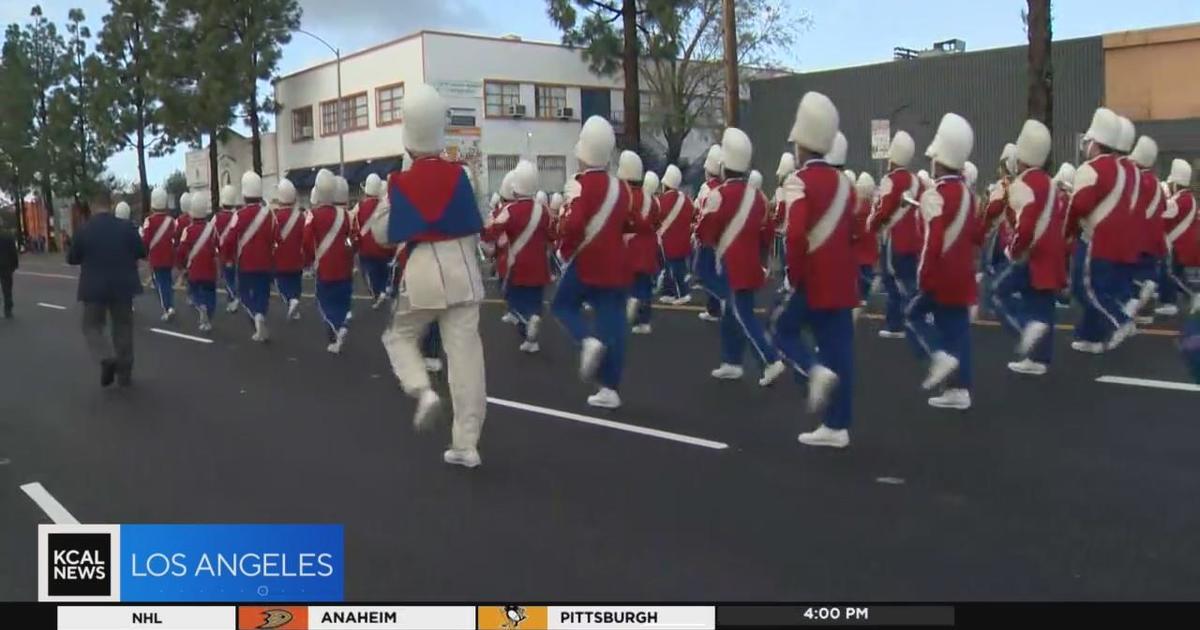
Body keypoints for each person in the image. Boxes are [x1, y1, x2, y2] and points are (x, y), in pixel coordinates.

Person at [375, 83, 487, 468]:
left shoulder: (399, 184)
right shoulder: (462, 176)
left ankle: (421, 389)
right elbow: (477, 222)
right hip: (465, 274)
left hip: (423, 275)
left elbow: (380, 232)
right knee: (467, 362)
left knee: (400, 335)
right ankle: (467, 444)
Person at [769, 91, 856, 447]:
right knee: (840, 351)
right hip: (842, 281)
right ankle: (837, 426)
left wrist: (793, 274)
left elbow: (795, 234)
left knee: (780, 328)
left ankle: (811, 369)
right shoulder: (845, 186)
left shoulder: (798, 181)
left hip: (812, 279)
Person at [552, 116, 638, 409]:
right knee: (612, 321)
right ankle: (610, 388)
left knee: (562, 306)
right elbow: (630, 223)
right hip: (617, 264)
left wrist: (563, 236)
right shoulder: (622, 188)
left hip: (587, 260)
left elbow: (572, 225)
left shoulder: (579, 185)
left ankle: (585, 339)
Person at [696, 127, 787, 386]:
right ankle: (731, 361)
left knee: (742, 316)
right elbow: (766, 232)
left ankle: (770, 360)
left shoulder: (718, 196)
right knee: (730, 314)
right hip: (751, 264)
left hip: (730, 265)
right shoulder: (758, 197)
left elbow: (704, 232)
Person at [904, 113, 978, 410]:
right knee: (957, 329)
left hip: (941, 275)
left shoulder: (936, 195)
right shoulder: (968, 194)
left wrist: (924, 276)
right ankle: (960, 390)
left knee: (912, 316)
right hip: (964, 274)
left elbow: (932, 243)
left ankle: (936, 355)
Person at [989, 120, 1065, 376]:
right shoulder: (1050, 183)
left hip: (1032, 255)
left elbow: (1025, 226)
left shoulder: (1023, 184)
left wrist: (1012, 250)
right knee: (1042, 307)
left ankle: (1024, 331)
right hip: (1053, 255)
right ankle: (1040, 359)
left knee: (997, 291)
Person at [1066, 108, 1137, 353]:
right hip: (1118, 241)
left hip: (1094, 239)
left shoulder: (1090, 169)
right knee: (1098, 288)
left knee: (1084, 288)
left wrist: (1067, 231)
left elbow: (1080, 206)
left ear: (1095, 143)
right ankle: (1091, 337)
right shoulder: (1124, 170)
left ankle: (1120, 321)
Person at [67, 203, 146, 387]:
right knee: (123, 328)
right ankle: (124, 374)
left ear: (93, 209)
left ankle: (106, 357)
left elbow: (72, 258)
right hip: (123, 285)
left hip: (94, 287)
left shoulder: (84, 230)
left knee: (91, 326)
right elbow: (141, 251)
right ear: (109, 207)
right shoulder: (127, 227)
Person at [483, 159, 552, 353]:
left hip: (518, 265)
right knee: (535, 301)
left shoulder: (510, 210)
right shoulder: (543, 211)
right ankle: (533, 337)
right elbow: (553, 234)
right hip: (540, 265)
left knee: (515, 302)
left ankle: (526, 323)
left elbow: (490, 232)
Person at [867, 131, 920, 338]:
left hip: (894, 239)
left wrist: (872, 225)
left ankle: (896, 322)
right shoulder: (917, 181)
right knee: (908, 280)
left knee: (893, 281)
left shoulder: (890, 180)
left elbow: (883, 209)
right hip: (913, 239)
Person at [303, 170, 354, 354]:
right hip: (345, 267)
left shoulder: (312, 215)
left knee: (324, 302)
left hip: (325, 268)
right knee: (342, 300)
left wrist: (308, 261)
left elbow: (307, 241)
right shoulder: (345, 215)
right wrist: (346, 251)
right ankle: (343, 323)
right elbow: (351, 239)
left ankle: (335, 331)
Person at [221, 172, 275, 342]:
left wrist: (228, 258)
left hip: (245, 264)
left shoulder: (239, 215)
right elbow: (277, 238)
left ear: (244, 194)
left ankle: (255, 315)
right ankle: (260, 314)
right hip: (266, 263)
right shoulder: (270, 214)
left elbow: (229, 240)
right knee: (263, 294)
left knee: (244, 295)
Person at [620, 152, 660, 334]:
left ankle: (631, 304)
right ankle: (645, 322)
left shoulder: (624, 197)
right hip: (649, 245)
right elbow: (657, 222)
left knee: (628, 283)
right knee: (645, 285)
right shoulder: (652, 199)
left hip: (630, 245)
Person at [1129, 135, 1165, 321]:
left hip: (1139, 237)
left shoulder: (1137, 181)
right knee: (1147, 275)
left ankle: (1132, 315)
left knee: (1134, 279)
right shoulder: (1157, 183)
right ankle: (1146, 313)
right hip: (1155, 237)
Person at [1160, 159, 1198, 316]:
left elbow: (1162, 217)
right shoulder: (1190, 198)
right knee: (1176, 274)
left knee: (1170, 273)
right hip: (1186, 244)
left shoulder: (1180, 200)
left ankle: (1191, 296)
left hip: (1181, 245)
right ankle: (1171, 301)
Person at [177, 191, 218, 332]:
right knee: (211, 294)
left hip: (194, 270)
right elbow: (217, 246)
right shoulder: (212, 229)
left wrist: (181, 267)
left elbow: (181, 251)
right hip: (210, 270)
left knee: (195, 293)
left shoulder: (188, 230)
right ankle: (208, 315)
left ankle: (201, 307)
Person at [355, 173, 396, 310]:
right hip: (386, 248)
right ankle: (386, 288)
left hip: (367, 249)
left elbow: (355, 227)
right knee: (384, 271)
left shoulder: (360, 207)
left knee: (370, 274)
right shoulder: (386, 205)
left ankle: (378, 293)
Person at [656, 164, 695, 305]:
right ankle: (669, 292)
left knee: (673, 270)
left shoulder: (661, 201)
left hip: (669, 243)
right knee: (675, 269)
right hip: (683, 243)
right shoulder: (686, 199)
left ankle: (682, 293)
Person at [695, 145, 724, 322]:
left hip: (707, 239)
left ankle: (719, 303)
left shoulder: (706, 188)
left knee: (705, 274)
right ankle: (714, 309)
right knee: (716, 273)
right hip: (721, 240)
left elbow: (699, 210)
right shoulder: (723, 187)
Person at [141, 187, 177, 322]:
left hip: (156, 258)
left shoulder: (149, 221)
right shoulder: (171, 221)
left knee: (160, 285)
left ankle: (167, 308)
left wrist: (143, 254)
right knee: (167, 282)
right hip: (169, 256)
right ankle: (171, 304)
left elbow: (145, 240)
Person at [272, 178, 304, 321]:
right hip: (298, 257)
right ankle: (295, 306)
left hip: (281, 259)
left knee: (283, 285)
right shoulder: (301, 216)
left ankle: (291, 301)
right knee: (296, 283)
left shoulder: (276, 218)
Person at [852, 172, 878, 304]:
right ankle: (865, 293)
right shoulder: (872, 206)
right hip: (869, 242)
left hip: (859, 243)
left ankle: (861, 295)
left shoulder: (857, 207)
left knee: (860, 271)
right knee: (867, 268)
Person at [214, 185, 241, 313]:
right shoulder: (238, 216)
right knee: (234, 277)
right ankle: (231, 301)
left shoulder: (216, 218)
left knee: (227, 278)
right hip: (237, 252)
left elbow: (212, 235)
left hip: (224, 253)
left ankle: (234, 298)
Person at [0, 224, 17, 319]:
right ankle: (8, 309)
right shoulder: (8, 235)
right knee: (7, 289)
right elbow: (13, 251)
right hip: (6, 265)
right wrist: (14, 264)